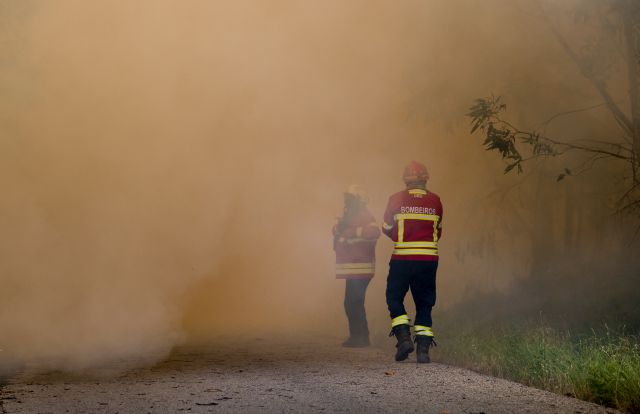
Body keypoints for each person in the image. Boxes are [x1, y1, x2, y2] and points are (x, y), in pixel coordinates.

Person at [382, 161, 443, 363]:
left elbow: (386, 227)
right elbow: (438, 231)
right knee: (425, 303)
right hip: (428, 260)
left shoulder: (396, 198)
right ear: (425, 179)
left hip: (402, 259)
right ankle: (423, 350)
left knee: (394, 297)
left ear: (405, 180)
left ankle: (403, 337)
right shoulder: (436, 201)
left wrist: (401, 236)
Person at [333, 184, 380, 347]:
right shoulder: (350, 216)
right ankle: (357, 336)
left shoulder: (364, 215)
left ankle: (361, 337)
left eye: (350, 198)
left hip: (361, 268)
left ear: (359, 200)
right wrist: (338, 230)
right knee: (351, 302)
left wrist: (351, 232)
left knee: (354, 301)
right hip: (353, 268)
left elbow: (374, 232)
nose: (347, 202)